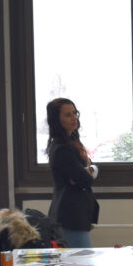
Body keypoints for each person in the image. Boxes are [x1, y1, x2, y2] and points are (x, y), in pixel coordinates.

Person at [46, 97, 99, 248]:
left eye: (75, 113)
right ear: (57, 120)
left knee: (82, 259)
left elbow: (84, 175)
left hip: (76, 215)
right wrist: (86, 173)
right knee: (84, 259)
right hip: (70, 216)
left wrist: (89, 170)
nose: (74, 118)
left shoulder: (72, 144)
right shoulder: (61, 148)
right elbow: (85, 180)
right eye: (68, 115)